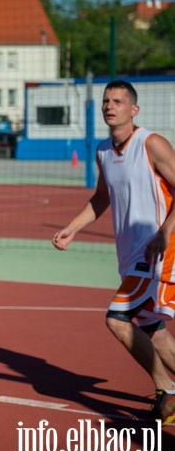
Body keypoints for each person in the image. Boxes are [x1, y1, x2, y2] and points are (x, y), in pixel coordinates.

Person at [53, 79, 175, 427]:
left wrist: (164, 233)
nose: (110, 105)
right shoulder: (104, 150)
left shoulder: (151, 144)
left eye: (118, 101)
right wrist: (73, 228)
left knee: (117, 318)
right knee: (152, 327)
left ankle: (167, 391)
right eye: (107, 100)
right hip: (132, 255)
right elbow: (102, 197)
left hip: (161, 251)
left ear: (133, 109)